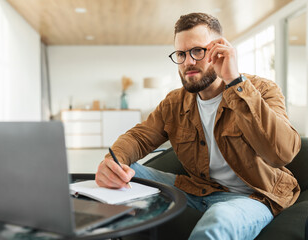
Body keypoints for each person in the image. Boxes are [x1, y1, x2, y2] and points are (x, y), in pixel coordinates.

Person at [95, 12, 301, 239]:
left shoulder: (262, 90)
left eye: (197, 51)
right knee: (123, 175)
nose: (188, 62)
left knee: (219, 221)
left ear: (219, 49)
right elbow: (139, 137)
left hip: (252, 197)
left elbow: (281, 153)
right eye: (181, 54)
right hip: (198, 188)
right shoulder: (175, 102)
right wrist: (113, 162)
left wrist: (235, 82)